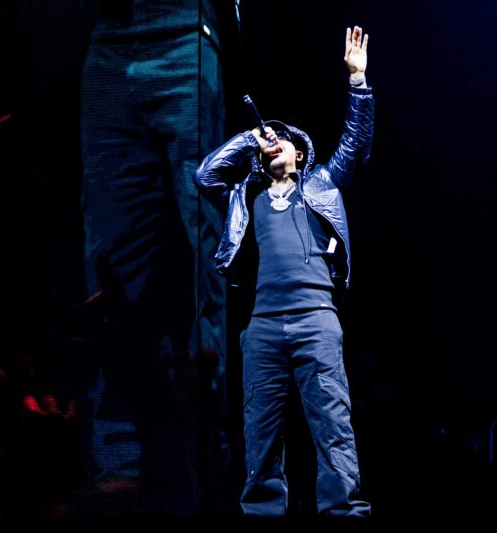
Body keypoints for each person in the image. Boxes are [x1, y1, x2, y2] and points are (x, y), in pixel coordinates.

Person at [194, 26, 373, 516]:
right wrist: (249, 138)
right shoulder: (244, 198)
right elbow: (205, 174)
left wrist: (357, 81)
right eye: (268, 143)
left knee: (333, 428)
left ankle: (344, 513)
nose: (275, 143)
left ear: (300, 153)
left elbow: (356, 142)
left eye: (284, 139)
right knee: (261, 435)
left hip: (316, 319)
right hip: (263, 328)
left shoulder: (322, 185)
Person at [80, 0, 231, 514]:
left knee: (206, 256)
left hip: (182, 31)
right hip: (109, 39)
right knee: (111, 259)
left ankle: (211, 452)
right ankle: (120, 462)